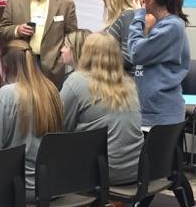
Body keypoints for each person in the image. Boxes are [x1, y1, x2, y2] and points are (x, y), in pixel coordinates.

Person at [128, 0, 196, 207]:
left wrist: (137, 20)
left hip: (160, 113)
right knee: (169, 171)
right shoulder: (165, 26)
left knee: (150, 171)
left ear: (151, 0)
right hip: (156, 111)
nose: (140, 2)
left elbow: (136, 53)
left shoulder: (170, 27)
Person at [0, 40, 64, 203]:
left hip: (21, 190)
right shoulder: (52, 90)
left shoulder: (8, 94)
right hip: (53, 186)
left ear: (4, 66)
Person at [60, 33, 143, 185]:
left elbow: (59, 128)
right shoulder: (129, 84)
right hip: (136, 170)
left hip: (100, 173)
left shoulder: (77, 81)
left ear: (87, 53)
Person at [0, 0, 77, 89]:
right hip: (21, 64)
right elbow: (1, 32)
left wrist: (60, 60)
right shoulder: (14, 2)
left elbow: (72, 36)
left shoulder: (65, 4)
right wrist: (17, 30)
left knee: (47, 107)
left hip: (52, 67)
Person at [99, 0, 138, 71]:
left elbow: (128, 57)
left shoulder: (128, 16)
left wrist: (97, 57)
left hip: (125, 82)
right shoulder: (122, 17)